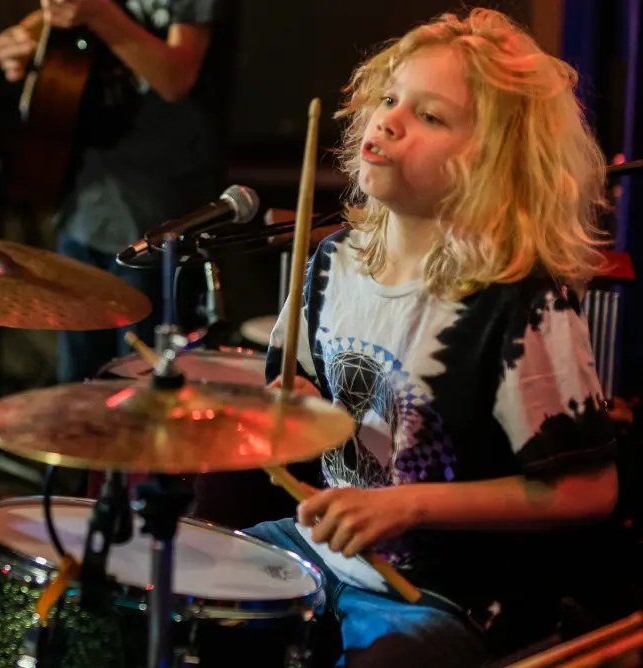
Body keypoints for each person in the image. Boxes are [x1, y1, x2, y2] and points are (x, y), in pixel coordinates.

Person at [239, 8, 623, 666]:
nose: (388, 120)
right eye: (390, 99)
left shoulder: (518, 301)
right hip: (320, 547)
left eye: (429, 115)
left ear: (491, 161)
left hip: (442, 591)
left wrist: (408, 507)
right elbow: (294, 392)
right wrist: (272, 405)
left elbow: (589, 488)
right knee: (178, 591)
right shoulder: (334, 262)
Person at [0, 0, 227, 383]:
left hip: (158, 212)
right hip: (84, 199)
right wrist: (20, 37)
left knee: (143, 389)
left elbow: (175, 77)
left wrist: (98, 13)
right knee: (77, 393)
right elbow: (56, 11)